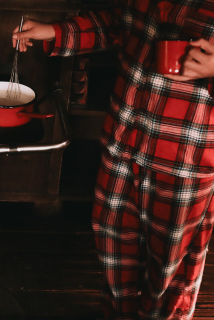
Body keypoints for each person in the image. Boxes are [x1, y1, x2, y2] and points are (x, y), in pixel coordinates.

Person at [13, 1, 214, 319]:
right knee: (114, 250)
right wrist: (54, 31)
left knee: (170, 270)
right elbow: (114, 23)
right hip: (122, 147)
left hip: (184, 163)